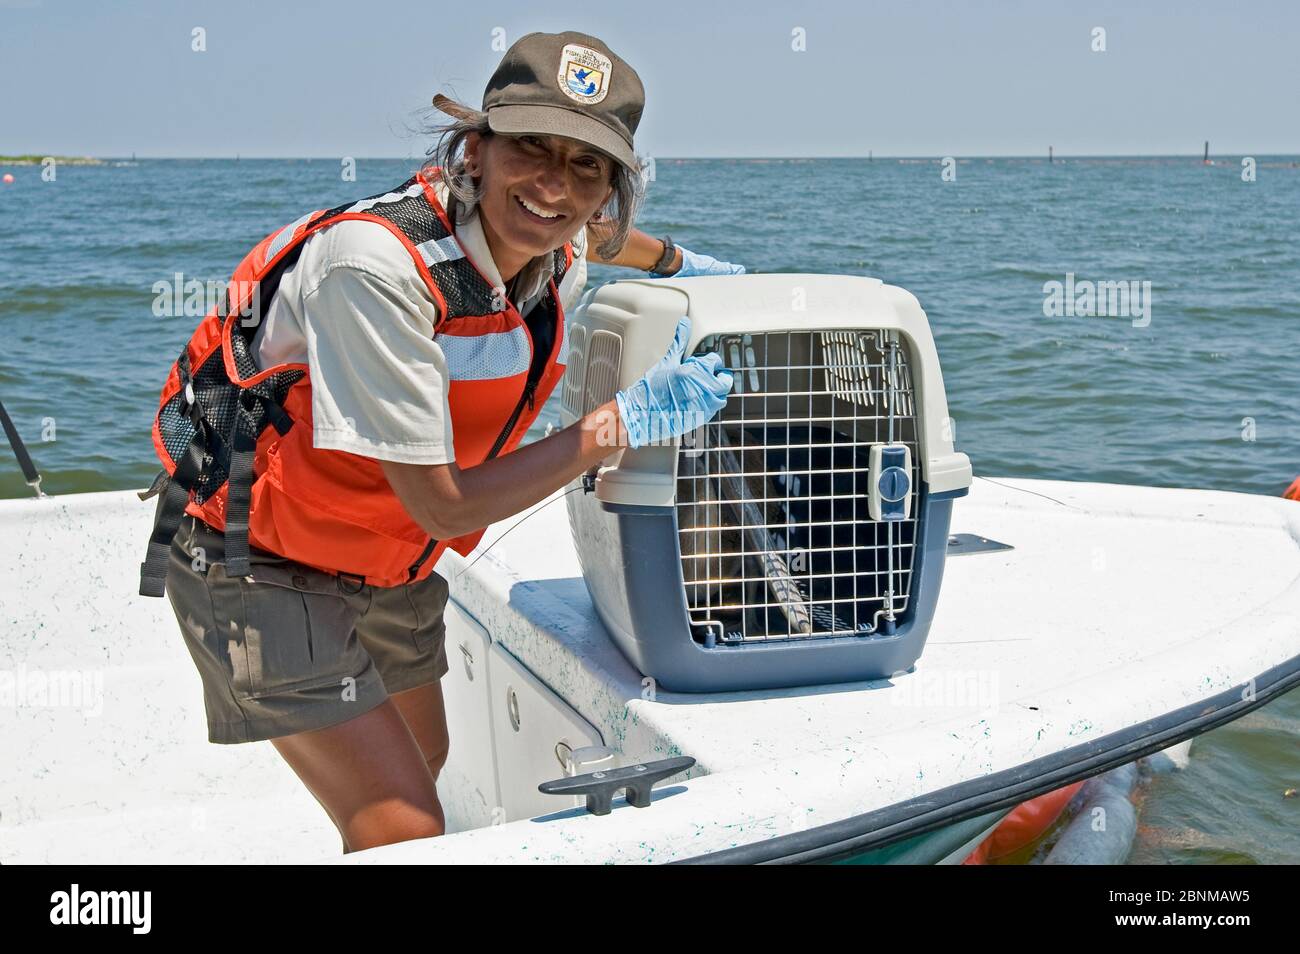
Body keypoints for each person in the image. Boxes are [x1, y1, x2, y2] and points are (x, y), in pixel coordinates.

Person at [150, 30, 740, 853]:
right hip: (256, 558)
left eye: (587, 165)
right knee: (403, 823)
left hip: (381, 555)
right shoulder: (375, 268)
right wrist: (617, 426)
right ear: (475, 150)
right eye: (531, 148)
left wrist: (679, 262)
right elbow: (440, 505)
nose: (552, 185)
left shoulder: (550, 234)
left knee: (428, 756)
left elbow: (591, 235)